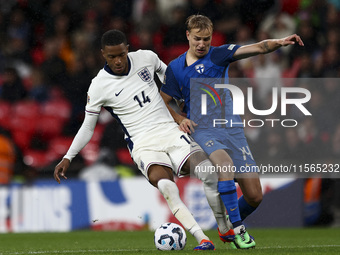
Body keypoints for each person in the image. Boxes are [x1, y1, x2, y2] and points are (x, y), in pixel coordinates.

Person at [54, 29, 219, 250]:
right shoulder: (99, 85)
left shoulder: (146, 58)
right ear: (103, 54)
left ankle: (226, 226)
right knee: (167, 187)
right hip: (143, 144)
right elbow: (87, 126)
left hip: (170, 131)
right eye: (112, 56)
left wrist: (182, 103)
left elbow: (169, 79)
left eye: (121, 54)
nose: (118, 60)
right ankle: (203, 239)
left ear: (127, 50)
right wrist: (68, 156)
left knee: (208, 171)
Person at [160, 14, 304, 249]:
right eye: (197, 39)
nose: (201, 44)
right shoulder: (176, 68)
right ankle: (237, 231)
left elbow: (256, 48)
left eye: (206, 39)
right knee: (224, 165)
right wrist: (179, 118)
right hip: (203, 130)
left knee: (255, 196)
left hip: (232, 129)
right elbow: (163, 100)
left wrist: (278, 42)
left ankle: (226, 224)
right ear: (188, 35)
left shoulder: (218, 54)